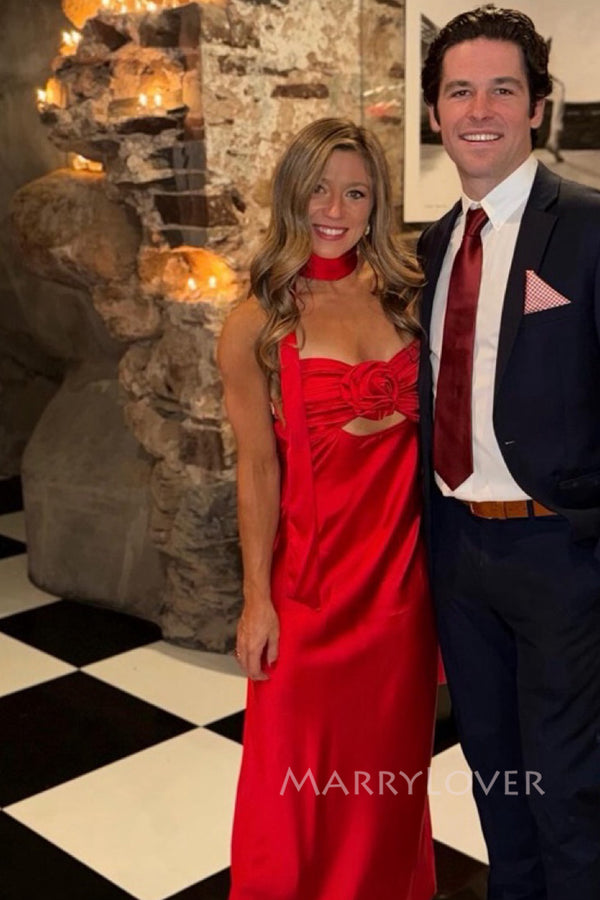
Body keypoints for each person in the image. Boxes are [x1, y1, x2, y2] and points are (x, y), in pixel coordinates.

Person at [218, 118, 438, 900]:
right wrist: (257, 601)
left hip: (400, 597)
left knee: (386, 788)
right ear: (292, 195)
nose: (335, 210)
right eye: (319, 189)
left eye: (356, 193)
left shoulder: (408, 299)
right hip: (308, 598)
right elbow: (256, 469)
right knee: (294, 794)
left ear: (377, 204)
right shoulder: (255, 322)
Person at [419, 6, 600, 900]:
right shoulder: (434, 245)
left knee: (570, 793)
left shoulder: (590, 226)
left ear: (536, 107)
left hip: (561, 551)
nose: (479, 109)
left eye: (502, 89)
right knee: (498, 779)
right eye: (460, 91)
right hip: (458, 550)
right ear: (435, 113)